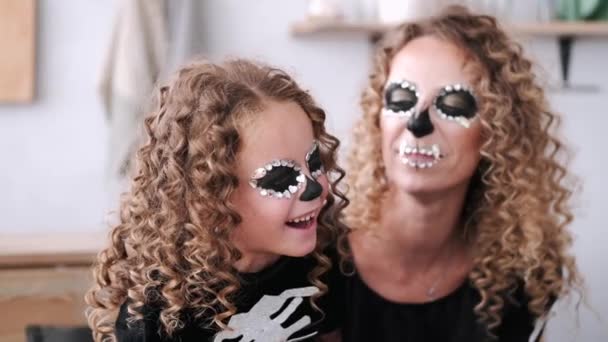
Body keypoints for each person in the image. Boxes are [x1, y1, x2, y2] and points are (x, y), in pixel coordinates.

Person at [341, 6, 582, 341]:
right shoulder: (317, 259)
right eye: (400, 98)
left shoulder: (523, 278)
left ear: (497, 132)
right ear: (377, 118)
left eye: (453, 105)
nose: (417, 124)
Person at [85, 58, 348, 342]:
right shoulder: (160, 311)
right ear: (209, 197)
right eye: (280, 179)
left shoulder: (321, 259)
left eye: (315, 162)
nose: (314, 188)